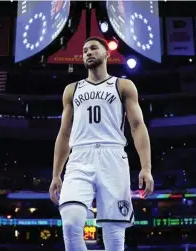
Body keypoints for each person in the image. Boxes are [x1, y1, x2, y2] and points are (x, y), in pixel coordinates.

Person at [49, 36, 154, 251]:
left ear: (107, 54)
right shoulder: (72, 89)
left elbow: (137, 126)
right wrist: (56, 174)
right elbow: (64, 133)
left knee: (115, 238)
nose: (88, 52)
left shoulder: (123, 85)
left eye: (94, 48)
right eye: (85, 49)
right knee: (70, 222)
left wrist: (146, 168)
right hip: (80, 156)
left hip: (112, 155)